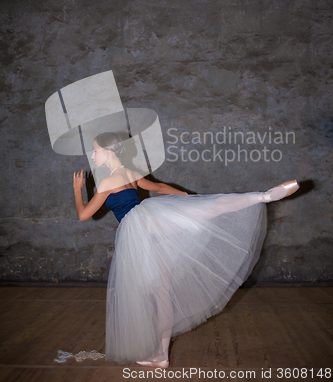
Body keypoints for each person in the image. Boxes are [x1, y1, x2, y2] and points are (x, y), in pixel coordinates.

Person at [73, 132, 299, 368]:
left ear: (108, 151)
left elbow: (83, 214)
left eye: (95, 149)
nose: (93, 154)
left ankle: (160, 355)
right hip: (151, 226)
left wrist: (78, 189)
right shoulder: (129, 173)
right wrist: (185, 199)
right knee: (164, 289)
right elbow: (159, 187)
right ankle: (261, 196)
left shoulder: (108, 181)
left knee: (154, 294)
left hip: (139, 232)